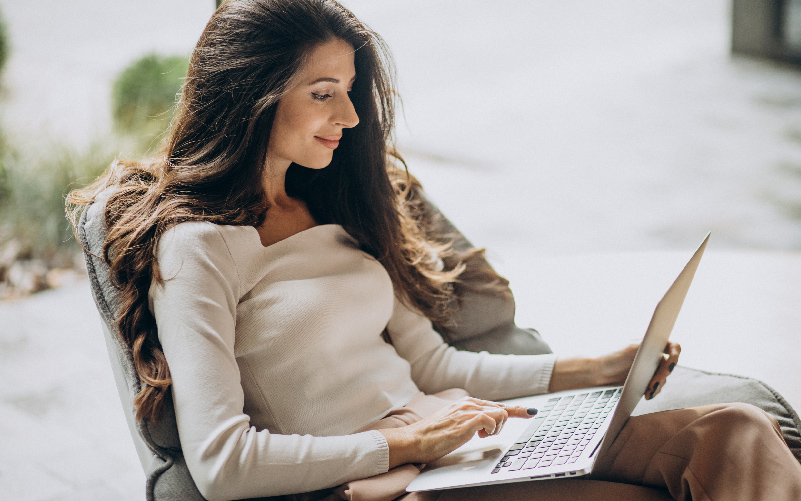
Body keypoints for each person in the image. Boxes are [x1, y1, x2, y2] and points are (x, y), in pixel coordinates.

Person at [68, 1, 801, 500]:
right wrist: (409, 441)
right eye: (324, 92)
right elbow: (223, 461)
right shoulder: (198, 249)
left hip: (464, 440)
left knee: (735, 430)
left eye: (350, 91)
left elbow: (435, 368)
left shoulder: (335, 210)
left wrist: (607, 367)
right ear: (252, 95)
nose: (350, 116)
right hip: (399, 479)